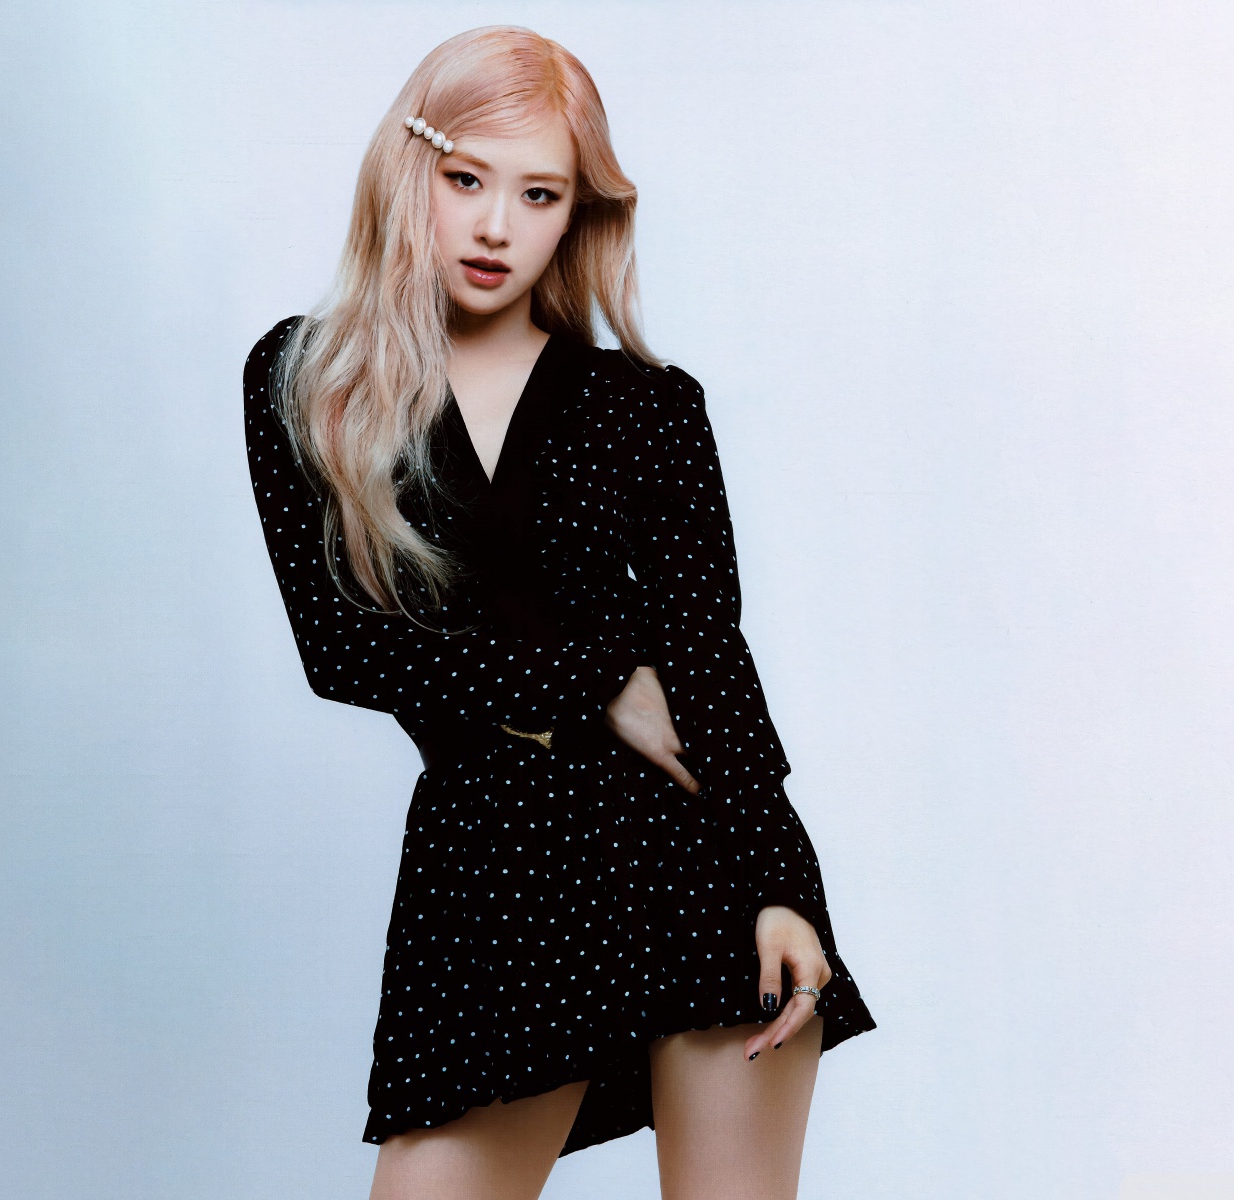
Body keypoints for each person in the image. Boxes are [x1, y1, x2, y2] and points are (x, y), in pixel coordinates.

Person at [243, 25, 875, 1200]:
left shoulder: (646, 405)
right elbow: (346, 650)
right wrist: (602, 680)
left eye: (538, 194)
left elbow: (707, 658)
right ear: (410, 170)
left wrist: (784, 882)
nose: (496, 227)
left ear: (578, 212)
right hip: (490, 871)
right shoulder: (310, 379)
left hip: (692, 865)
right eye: (466, 180)